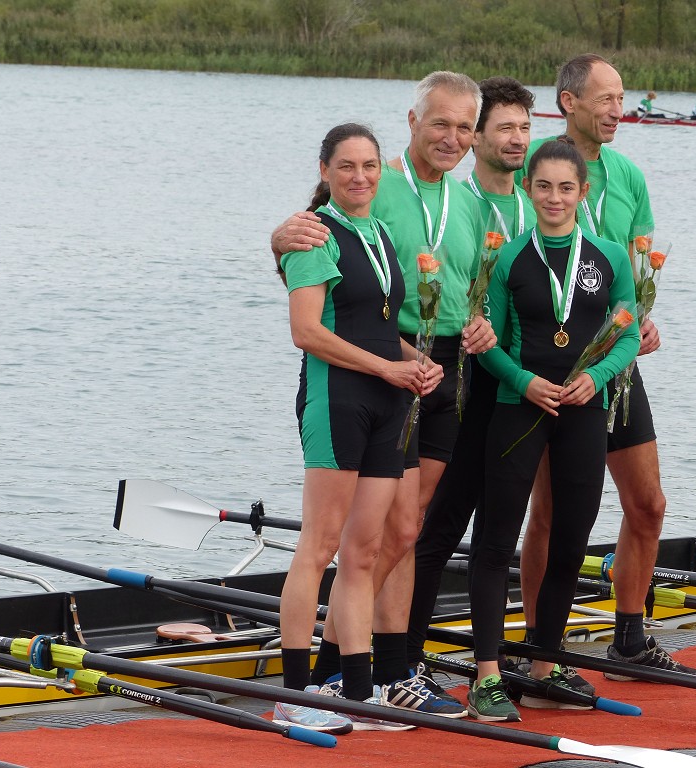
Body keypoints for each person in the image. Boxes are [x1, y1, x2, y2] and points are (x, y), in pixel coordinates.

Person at [270, 72, 495, 717]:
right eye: (440, 122)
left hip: (413, 382)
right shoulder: (341, 211)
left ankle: (361, 679)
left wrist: (446, 343)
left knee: (382, 542)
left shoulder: (427, 218)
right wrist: (277, 240)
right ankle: (312, 684)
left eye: (464, 127)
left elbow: (414, 308)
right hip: (354, 386)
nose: (360, 176)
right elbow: (308, 310)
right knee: (335, 542)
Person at [519, 53, 696, 685]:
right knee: (550, 514)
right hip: (551, 368)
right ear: (568, 103)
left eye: (622, 99)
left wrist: (643, 319)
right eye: (606, 99)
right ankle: (540, 648)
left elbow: (636, 266)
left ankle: (628, 641)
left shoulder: (627, 175)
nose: (619, 110)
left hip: (614, 366)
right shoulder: (535, 165)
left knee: (647, 504)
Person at [273, 123, 441, 732]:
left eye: (369, 165)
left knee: (363, 554)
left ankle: (357, 692)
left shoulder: (381, 233)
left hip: (389, 401)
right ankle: (294, 695)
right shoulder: (313, 234)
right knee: (318, 547)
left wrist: (416, 362)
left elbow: (377, 327)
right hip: (337, 401)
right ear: (325, 171)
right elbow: (308, 332)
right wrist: (388, 369)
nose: (360, 177)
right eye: (346, 166)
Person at [467, 136, 639, 721]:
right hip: (520, 407)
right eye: (543, 186)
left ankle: (543, 665)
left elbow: (628, 335)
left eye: (566, 187)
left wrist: (597, 377)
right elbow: (486, 343)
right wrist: (524, 381)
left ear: (583, 192)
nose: (554, 197)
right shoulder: (509, 259)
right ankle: (488, 675)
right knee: (496, 541)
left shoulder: (610, 257)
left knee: (570, 539)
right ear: (527, 188)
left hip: (583, 408)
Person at [405, 76, 538, 674]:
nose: (517, 139)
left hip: (514, 386)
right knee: (435, 527)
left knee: (495, 535)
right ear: (477, 140)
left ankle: (500, 659)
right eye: (503, 128)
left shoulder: (538, 201)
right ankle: (404, 657)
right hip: (461, 379)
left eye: (524, 128)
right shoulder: (455, 199)